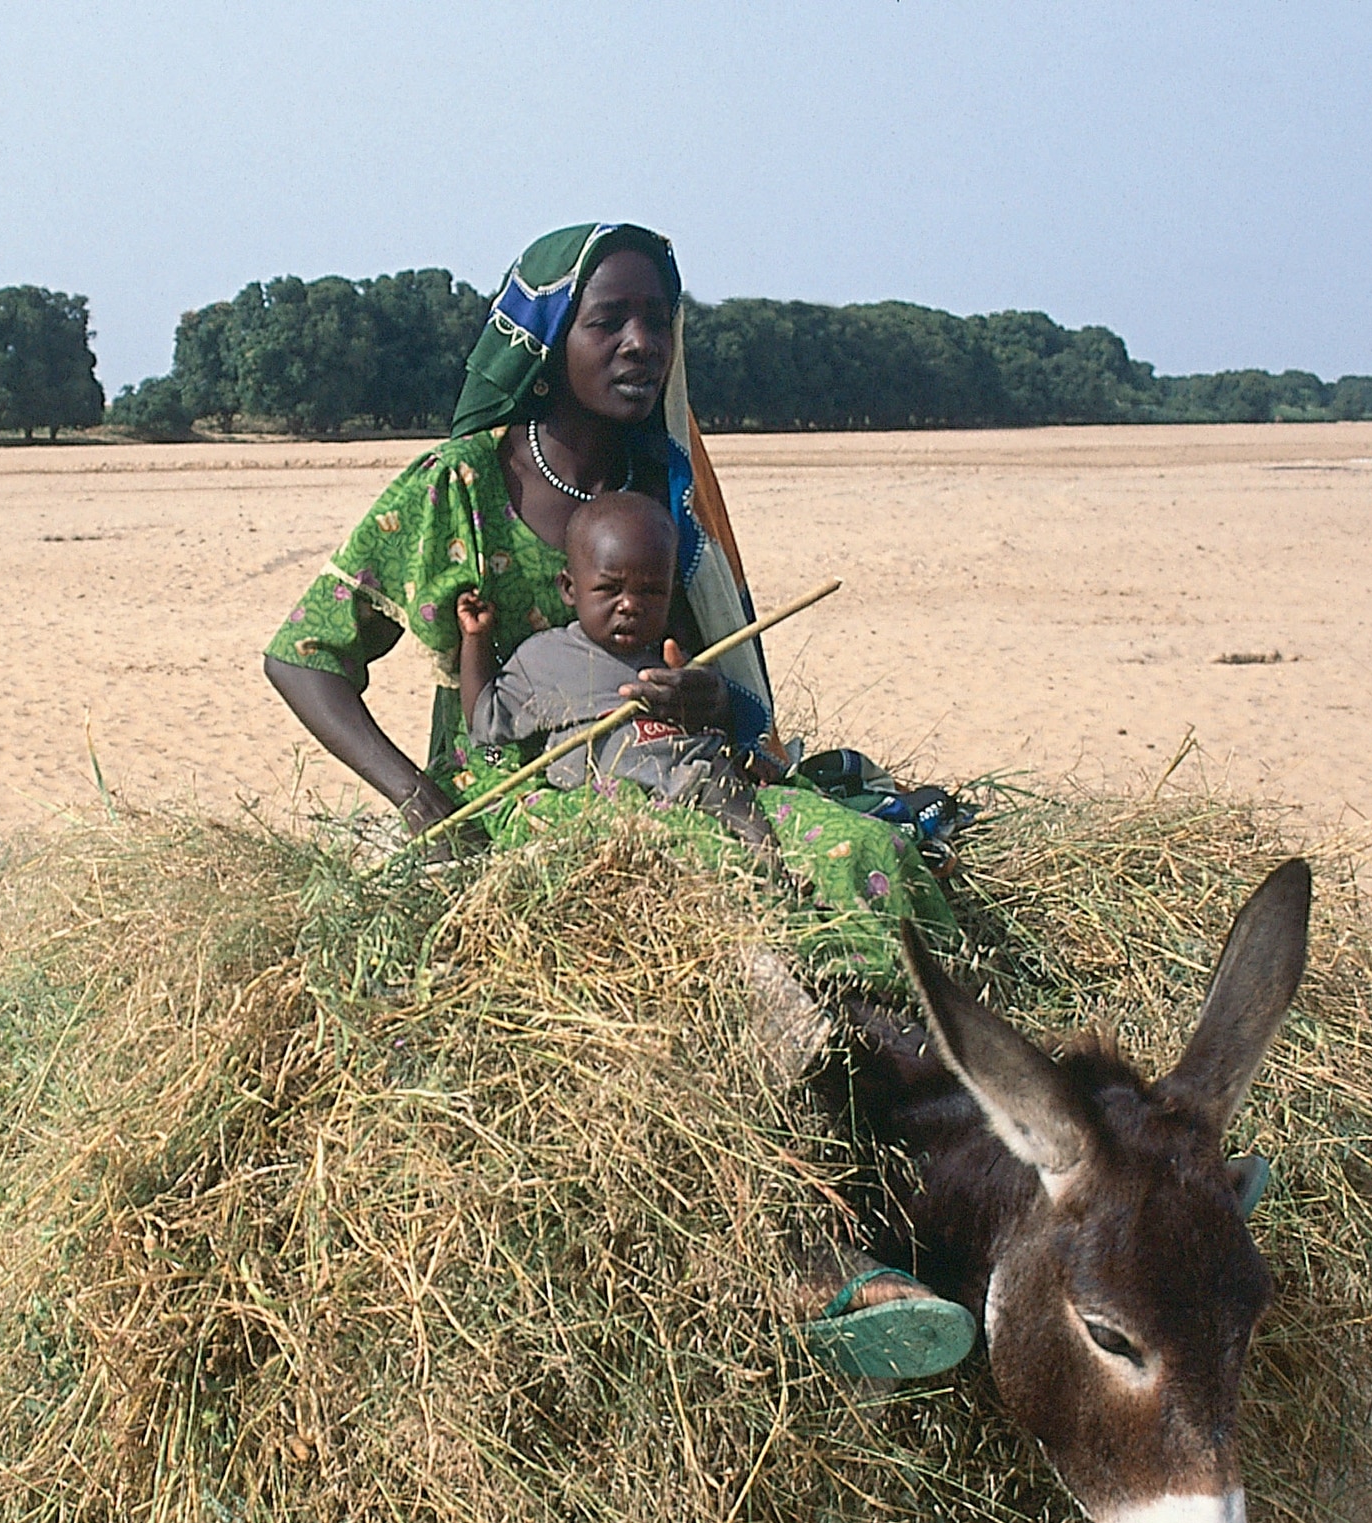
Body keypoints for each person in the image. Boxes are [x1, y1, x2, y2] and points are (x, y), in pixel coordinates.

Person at [263, 222, 976, 1379]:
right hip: (529, 804)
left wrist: (704, 697)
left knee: (857, 853)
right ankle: (805, 1249)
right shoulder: (455, 488)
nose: (642, 341)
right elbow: (302, 654)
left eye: (660, 319)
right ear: (547, 340)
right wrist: (420, 801)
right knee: (697, 932)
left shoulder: (664, 486)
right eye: (610, 320)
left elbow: (720, 676)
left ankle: (970, 1140)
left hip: (677, 776)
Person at [460, 491, 776, 856]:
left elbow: (719, 728)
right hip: (605, 802)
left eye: (651, 592)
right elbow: (484, 721)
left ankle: (769, 862)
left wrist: (706, 699)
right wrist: (475, 640)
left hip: (694, 784)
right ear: (569, 589)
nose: (630, 605)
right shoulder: (543, 659)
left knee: (729, 792)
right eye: (609, 589)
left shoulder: (673, 654)